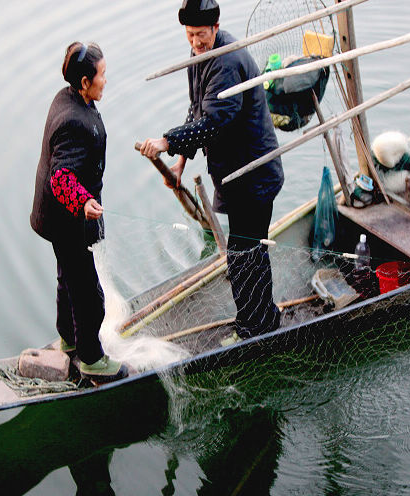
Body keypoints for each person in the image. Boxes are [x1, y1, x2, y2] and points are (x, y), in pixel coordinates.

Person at [139, 0, 284, 343]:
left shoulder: (228, 62)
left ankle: (254, 328)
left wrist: (166, 141)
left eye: (201, 35)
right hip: (235, 174)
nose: (195, 42)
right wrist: (180, 161)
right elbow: (197, 109)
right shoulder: (199, 56)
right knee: (249, 252)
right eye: (189, 35)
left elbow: (215, 122)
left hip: (253, 175)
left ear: (216, 28)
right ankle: (264, 318)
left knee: (244, 255)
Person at [30, 42, 128, 382]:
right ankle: (90, 358)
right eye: (101, 75)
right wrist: (83, 202)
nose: (106, 80)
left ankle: (68, 339)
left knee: (66, 279)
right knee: (88, 293)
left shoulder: (68, 97)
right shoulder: (74, 121)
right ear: (84, 82)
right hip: (67, 220)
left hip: (55, 219)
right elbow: (60, 177)